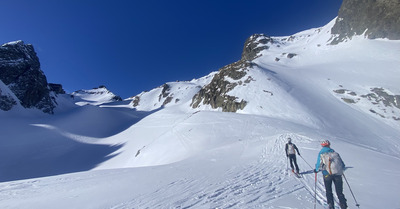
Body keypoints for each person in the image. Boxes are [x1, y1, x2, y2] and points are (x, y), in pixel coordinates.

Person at [314, 140, 347, 209]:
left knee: (329, 191)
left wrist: (316, 170)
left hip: (327, 174)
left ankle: (331, 205)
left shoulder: (321, 153)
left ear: (322, 145)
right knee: (339, 192)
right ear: (329, 145)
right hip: (338, 174)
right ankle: (343, 205)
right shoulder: (335, 153)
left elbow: (318, 164)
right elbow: (342, 165)